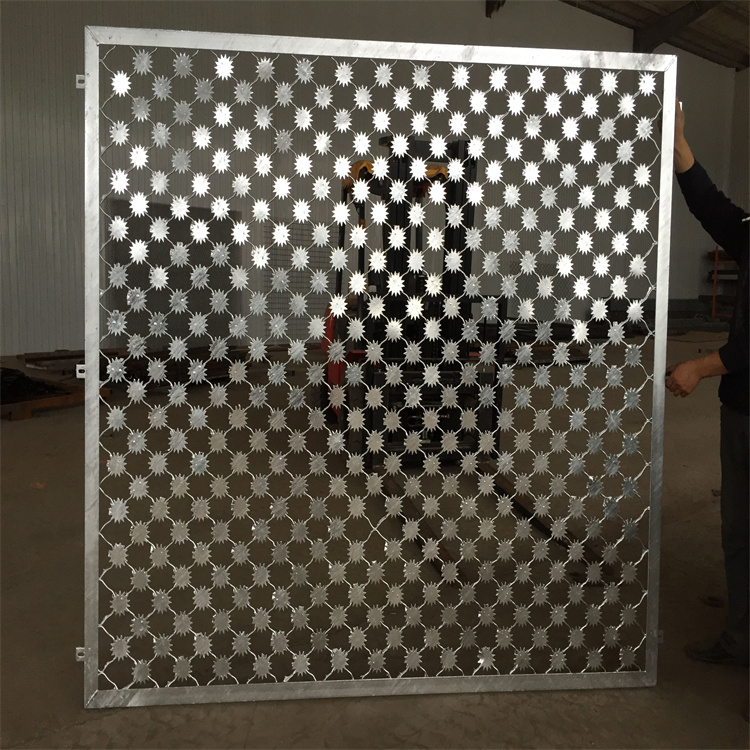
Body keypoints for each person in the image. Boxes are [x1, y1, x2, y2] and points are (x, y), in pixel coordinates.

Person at [666, 99, 749, 668]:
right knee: (737, 531)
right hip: (740, 408)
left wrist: (699, 366)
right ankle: (739, 640)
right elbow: (712, 208)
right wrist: (678, 143)